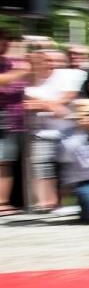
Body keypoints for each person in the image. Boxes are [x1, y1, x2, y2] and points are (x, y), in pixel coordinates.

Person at [23, 48, 74, 211]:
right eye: (41, 61)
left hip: (68, 130)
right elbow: (28, 105)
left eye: (49, 60)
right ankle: (47, 202)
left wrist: (42, 104)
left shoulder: (65, 76)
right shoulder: (28, 83)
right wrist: (52, 105)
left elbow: (66, 101)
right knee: (42, 167)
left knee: (67, 166)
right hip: (41, 132)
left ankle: (68, 202)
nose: (48, 64)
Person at [0, 30, 30, 215]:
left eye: (6, 41)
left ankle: (4, 202)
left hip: (14, 120)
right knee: (2, 161)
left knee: (6, 161)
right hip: (3, 117)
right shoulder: (17, 68)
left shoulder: (10, 63)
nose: (6, 44)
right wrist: (19, 72)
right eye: (3, 41)